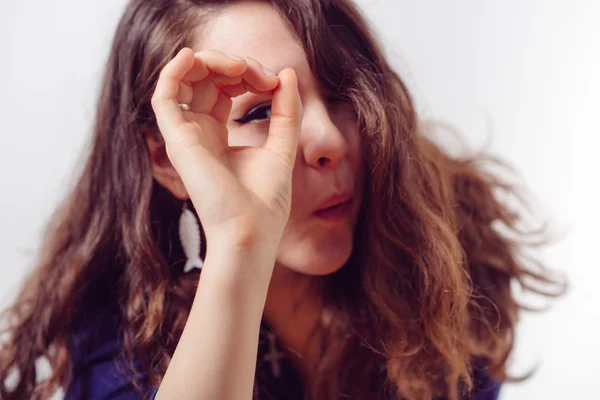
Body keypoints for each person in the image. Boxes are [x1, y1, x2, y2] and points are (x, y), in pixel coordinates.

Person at [0, 0, 563, 399]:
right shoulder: (114, 335)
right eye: (260, 112)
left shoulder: (456, 244)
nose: (332, 141)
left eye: (343, 91)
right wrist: (240, 244)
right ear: (170, 159)